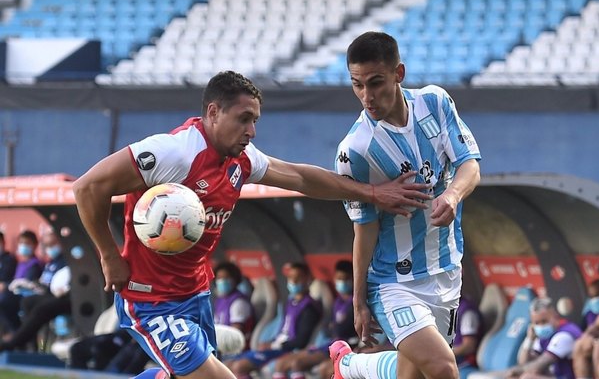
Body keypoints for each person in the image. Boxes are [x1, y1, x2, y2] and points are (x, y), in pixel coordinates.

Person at [72, 70, 431, 379]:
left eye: (256, 120)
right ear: (213, 112)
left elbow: (301, 177)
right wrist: (108, 254)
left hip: (194, 293)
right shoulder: (174, 153)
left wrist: (372, 193)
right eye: (244, 119)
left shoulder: (240, 160)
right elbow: (88, 187)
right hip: (149, 298)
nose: (252, 131)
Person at [333, 31, 481, 379]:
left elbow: (469, 165)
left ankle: (351, 366)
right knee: (444, 368)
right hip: (392, 282)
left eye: (376, 83)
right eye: (357, 85)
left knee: (412, 374)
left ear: (398, 74)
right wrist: (358, 302)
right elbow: (364, 229)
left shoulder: (435, 102)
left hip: (445, 269)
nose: (367, 96)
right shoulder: (355, 151)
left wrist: (452, 195)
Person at [328, 294, 483, 379]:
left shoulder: (465, 310)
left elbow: (469, 345)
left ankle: (348, 363)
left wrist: (437, 355)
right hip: (403, 288)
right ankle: (348, 364)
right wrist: (359, 301)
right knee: (435, 369)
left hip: (463, 365)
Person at [227, 262, 321, 378]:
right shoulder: (290, 303)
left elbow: (301, 341)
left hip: (289, 350)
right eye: (291, 278)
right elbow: (283, 331)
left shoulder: (309, 308)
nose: (294, 281)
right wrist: (270, 343)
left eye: (298, 278)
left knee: (240, 366)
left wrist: (275, 346)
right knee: (229, 364)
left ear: (308, 279)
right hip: (278, 347)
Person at [272, 259, 357, 379]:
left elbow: (341, 330)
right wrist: (333, 328)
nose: (341, 282)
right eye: (339, 278)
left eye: (345, 278)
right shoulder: (337, 302)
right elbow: (328, 328)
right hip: (331, 344)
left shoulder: (356, 302)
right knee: (281, 364)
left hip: (348, 346)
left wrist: (333, 328)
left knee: (301, 364)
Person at [0, 232, 71, 352]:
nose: (50, 248)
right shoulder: (50, 263)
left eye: (53, 244)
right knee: (28, 302)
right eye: (47, 245)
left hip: (63, 298)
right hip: (45, 294)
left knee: (40, 307)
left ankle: (14, 342)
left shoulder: (65, 261)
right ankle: (29, 343)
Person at [0, 230, 42, 335]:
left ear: (35, 245)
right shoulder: (22, 263)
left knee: (4, 301)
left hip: (25, 297)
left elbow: (28, 284)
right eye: (21, 243)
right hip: (15, 295)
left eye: (27, 243)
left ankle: (16, 334)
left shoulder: (35, 264)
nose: (23, 246)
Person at [213, 261, 255, 351]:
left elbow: (235, 333)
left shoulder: (239, 302)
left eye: (226, 278)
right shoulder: (220, 300)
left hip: (233, 348)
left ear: (235, 279)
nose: (222, 281)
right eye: (219, 278)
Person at [573, 279, 599, 379]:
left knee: (598, 348)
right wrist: (587, 335)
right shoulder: (590, 305)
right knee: (579, 345)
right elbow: (587, 327)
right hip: (596, 336)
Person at [0, 231, 17, 335]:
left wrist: (4, 285)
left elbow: (6, 279)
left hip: (8, 291)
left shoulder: (9, 259)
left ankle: (11, 334)